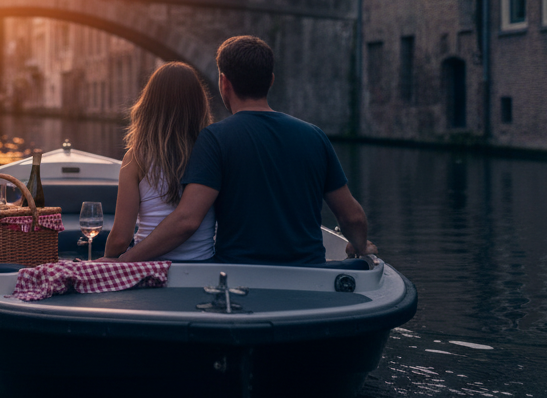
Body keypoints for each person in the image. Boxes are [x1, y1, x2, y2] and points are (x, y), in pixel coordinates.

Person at [108, 35, 374, 265]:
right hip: (312, 273)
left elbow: (188, 219)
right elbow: (352, 216)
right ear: (270, 80)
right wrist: (360, 247)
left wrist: (122, 262)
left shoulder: (216, 139)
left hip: (239, 273)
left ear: (224, 83)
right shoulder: (315, 136)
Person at [102, 62, 216, 262]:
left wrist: (108, 261)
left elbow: (121, 239)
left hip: (148, 267)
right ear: (200, 105)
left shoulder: (137, 157)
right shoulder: (213, 153)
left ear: (149, 105)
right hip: (201, 267)